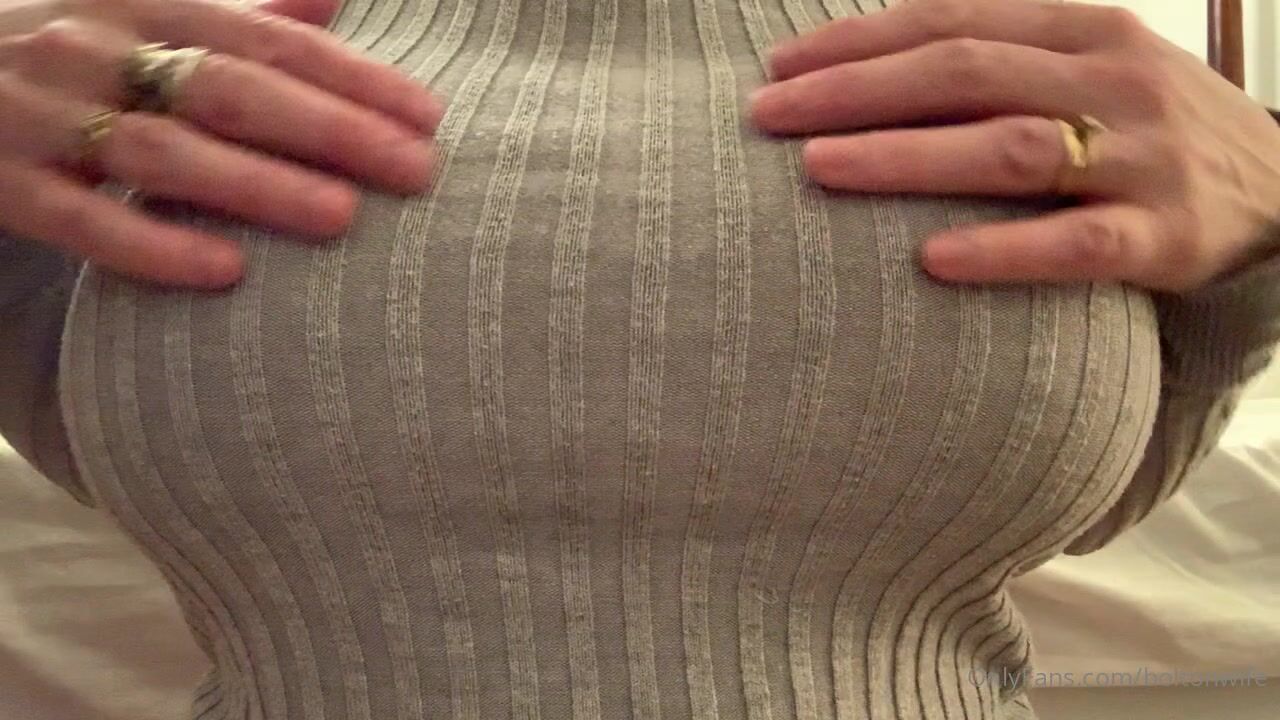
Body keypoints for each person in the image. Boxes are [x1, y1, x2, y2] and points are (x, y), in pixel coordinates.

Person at [1, 0, 1278, 718]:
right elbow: (132, 450)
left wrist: (1267, 213)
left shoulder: (1042, 102)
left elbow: (1084, 483)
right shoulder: (171, 110)